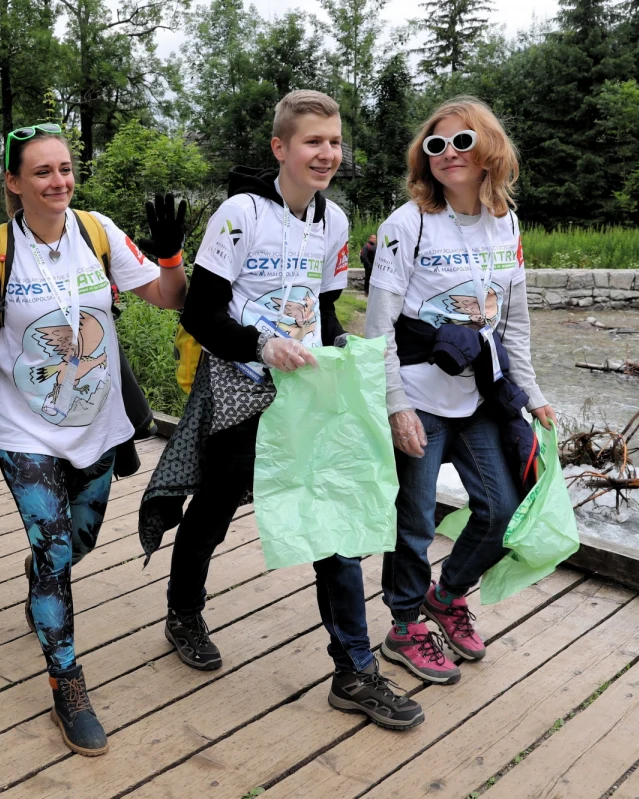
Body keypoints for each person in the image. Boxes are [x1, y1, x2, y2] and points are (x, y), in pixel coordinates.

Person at [141, 90, 424, 730]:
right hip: (239, 388)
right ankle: (183, 611)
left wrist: (338, 351)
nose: (327, 153)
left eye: (333, 141)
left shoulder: (337, 223)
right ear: (280, 148)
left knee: (332, 527)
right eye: (312, 142)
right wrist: (260, 345)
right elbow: (200, 312)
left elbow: (322, 310)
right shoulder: (240, 214)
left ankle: (354, 671)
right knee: (213, 509)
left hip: (304, 395)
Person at [0, 123, 187, 756]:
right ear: (13, 183)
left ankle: (39, 573)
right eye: (42, 172)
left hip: (96, 424)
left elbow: (169, 298)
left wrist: (170, 254)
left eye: (64, 169)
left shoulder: (97, 232)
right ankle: (68, 684)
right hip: (23, 426)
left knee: (76, 540)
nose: (58, 181)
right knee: (56, 554)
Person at [367, 96, 553, 686]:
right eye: (436, 145)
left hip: (481, 396)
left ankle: (446, 597)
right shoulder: (409, 222)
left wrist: (534, 392)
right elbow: (379, 325)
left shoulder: (507, 223)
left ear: (489, 151)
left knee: (502, 509)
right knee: (415, 521)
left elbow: (513, 321)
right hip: (420, 396)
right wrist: (396, 405)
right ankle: (403, 627)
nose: (449, 154)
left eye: (463, 142)